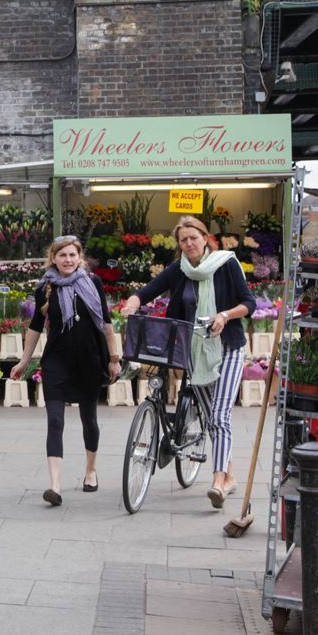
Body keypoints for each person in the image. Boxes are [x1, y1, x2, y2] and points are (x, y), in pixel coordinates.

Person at [120, 215, 254, 509]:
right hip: (194, 351)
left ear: (205, 238)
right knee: (212, 419)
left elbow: (249, 303)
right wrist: (133, 302)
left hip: (227, 348)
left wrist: (224, 315)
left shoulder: (225, 263)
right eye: (183, 240)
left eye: (194, 238)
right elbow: (149, 290)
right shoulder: (179, 270)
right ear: (179, 244)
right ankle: (230, 476)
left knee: (220, 417)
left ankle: (218, 483)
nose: (189, 243)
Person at [10, 235, 119, 507]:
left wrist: (114, 358)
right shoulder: (45, 288)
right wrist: (24, 361)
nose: (68, 260)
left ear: (79, 257)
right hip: (56, 361)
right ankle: (55, 486)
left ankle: (90, 471)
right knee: (55, 421)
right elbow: (35, 327)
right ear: (53, 259)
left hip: (89, 360)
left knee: (88, 420)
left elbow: (105, 322)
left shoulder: (92, 283)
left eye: (72, 255)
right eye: (62, 256)